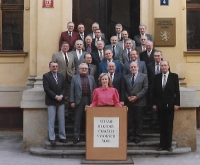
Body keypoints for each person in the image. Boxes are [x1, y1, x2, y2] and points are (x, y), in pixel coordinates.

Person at [152, 60, 180, 152]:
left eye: (165, 65)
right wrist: (154, 104)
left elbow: (177, 92)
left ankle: (168, 145)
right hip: (160, 105)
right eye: (162, 65)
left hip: (170, 105)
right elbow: (154, 92)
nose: (163, 67)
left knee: (169, 125)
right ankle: (162, 145)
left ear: (168, 66)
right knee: (162, 125)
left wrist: (177, 103)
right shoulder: (156, 77)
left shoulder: (174, 77)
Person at [70, 63, 96, 144]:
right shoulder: (75, 78)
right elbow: (72, 90)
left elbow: (94, 90)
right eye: (82, 68)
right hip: (79, 100)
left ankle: (87, 137)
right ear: (79, 69)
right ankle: (76, 137)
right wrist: (72, 101)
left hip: (89, 100)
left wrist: (95, 102)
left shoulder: (91, 78)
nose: (84, 70)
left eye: (86, 68)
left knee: (88, 119)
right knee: (78, 119)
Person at [43, 61, 67, 145]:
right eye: (53, 66)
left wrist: (61, 96)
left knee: (61, 120)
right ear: (49, 67)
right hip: (51, 101)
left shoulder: (61, 76)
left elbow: (64, 88)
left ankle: (62, 137)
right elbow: (46, 89)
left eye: (56, 66)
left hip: (61, 101)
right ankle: (52, 138)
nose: (55, 68)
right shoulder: (46, 76)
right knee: (51, 120)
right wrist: (56, 96)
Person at [124, 62, 148, 144]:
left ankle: (137, 136)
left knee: (138, 120)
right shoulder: (126, 77)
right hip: (129, 102)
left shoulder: (144, 76)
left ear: (138, 67)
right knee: (130, 120)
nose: (133, 68)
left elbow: (145, 88)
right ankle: (131, 136)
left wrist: (137, 97)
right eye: (131, 67)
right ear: (130, 68)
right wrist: (127, 97)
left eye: (134, 67)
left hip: (139, 102)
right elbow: (124, 89)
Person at [52, 41, 75, 115]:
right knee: (59, 93)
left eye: (67, 46)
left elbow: (73, 66)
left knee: (67, 94)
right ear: (61, 47)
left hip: (69, 77)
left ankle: (66, 111)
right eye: (64, 46)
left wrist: (72, 73)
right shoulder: (56, 55)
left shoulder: (71, 55)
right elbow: (53, 65)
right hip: (59, 77)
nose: (65, 48)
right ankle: (59, 110)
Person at [147, 50, 163, 127]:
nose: (157, 57)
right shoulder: (149, 65)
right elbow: (148, 78)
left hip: (162, 88)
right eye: (155, 56)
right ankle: (153, 121)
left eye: (158, 56)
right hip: (152, 88)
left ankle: (160, 121)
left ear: (161, 56)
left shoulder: (164, 65)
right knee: (153, 105)